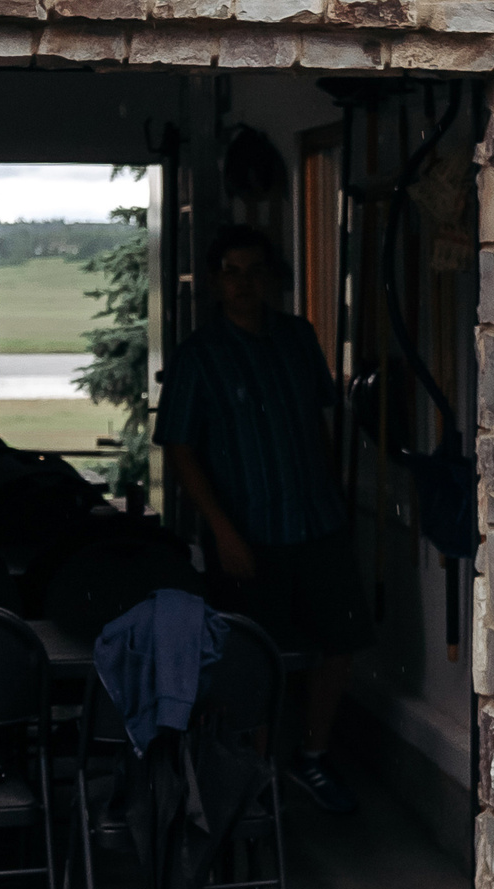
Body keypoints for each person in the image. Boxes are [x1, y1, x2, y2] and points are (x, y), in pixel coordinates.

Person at [155, 224, 366, 814]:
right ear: (215, 282)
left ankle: (312, 756)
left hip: (317, 521)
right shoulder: (199, 355)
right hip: (247, 533)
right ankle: (255, 774)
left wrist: (335, 496)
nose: (243, 283)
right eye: (231, 272)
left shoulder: (297, 337)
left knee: (341, 641)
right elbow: (179, 449)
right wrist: (223, 532)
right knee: (255, 654)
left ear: (270, 278)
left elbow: (319, 422)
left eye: (253, 271)